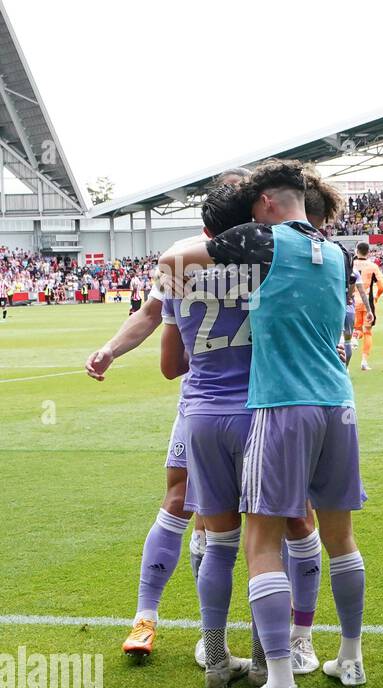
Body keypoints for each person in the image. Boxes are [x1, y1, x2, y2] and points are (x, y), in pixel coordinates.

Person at [158, 159, 369, 688]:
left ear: (269, 205)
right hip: (340, 403)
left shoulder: (264, 240)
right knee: (340, 537)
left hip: (282, 404)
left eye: (256, 208)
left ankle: (277, 684)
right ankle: (349, 657)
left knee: (259, 543)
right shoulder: (339, 251)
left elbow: (173, 261)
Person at [88, 168, 250, 658]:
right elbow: (149, 316)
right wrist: (111, 349)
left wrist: (110, 351)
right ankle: (220, 639)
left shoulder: (178, 257)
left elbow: (153, 324)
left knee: (194, 509)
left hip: (204, 404)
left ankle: (173, 627)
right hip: (241, 404)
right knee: (235, 512)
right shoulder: (269, 252)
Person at [352, 241, 383, 370]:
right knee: (367, 332)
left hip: (352, 302)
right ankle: (364, 362)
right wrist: (376, 297)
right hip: (368, 303)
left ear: (356, 251)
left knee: (355, 329)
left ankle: (354, 337)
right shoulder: (373, 266)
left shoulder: (350, 264)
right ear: (368, 252)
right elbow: (381, 287)